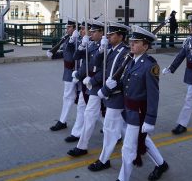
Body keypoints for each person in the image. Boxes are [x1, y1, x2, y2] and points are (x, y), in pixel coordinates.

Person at [109, 25, 169, 181]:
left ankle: (123, 178)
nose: (132, 44)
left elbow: (153, 95)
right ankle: (161, 164)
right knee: (143, 140)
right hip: (128, 111)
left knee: (128, 148)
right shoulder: (131, 60)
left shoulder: (150, 66)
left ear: (146, 46)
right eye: (132, 41)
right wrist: (113, 85)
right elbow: (127, 85)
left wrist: (150, 119)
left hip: (139, 114)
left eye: (136, 42)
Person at [88, 22, 130, 172]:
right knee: (128, 130)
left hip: (116, 96)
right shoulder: (111, 49)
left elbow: (123, 78)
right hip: (110, 95)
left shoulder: (125, 52)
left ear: (120, 36)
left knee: (109, 129)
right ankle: (159, 161)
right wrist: (100, 49)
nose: (109, 36)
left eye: (112, 34)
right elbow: (95, 64)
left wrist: (106, 90)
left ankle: (103, 160)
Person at [67, 20, 104, 157]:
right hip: (88, 82)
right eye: (91, 31)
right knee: (86, 108)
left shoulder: (104, 46)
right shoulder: (92, 44)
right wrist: (82, 45)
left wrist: (91, 80)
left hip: (97, 84)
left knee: (91, 113)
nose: (90, 33)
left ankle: (82, 146)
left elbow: (101, 67)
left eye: (94, 31)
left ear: (102, 33)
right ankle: (78, 136)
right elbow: (77, 57)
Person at [47, 18, 79, 131]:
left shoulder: (76, 40)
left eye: (69, 27)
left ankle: (62, 121)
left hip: (74, 72)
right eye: (67, 27)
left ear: (75, 28)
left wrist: (72, 40)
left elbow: (74, 53)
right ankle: (62, 120)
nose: (67, 29)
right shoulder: (68, 38)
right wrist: (54, 54)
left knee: (70, 97)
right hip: (68, 72)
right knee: (76, 99)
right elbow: (66, 52)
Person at [65, 19, 92, 143]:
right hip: (84, 81)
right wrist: (74, 41)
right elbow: (73, 54)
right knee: (82, 106)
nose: (80, 31)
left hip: (93, 83)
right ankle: (77, 133)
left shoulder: (98, 45)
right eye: (80, 29)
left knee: (103, 113)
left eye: (83, 29)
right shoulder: (82, 41)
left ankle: (119, 133)